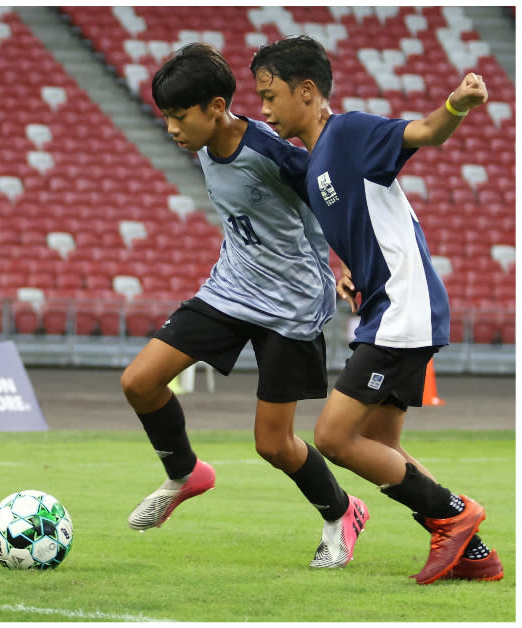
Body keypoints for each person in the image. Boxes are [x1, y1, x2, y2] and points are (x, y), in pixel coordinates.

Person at [250, 35, 502, 584]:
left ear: (308, 91)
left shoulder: (351, 131)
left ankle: (456, 516)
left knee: (334, 438)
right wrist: (349, 271)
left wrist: (457, 102)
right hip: (387, 307)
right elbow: (365, 224)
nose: (264, 109)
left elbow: (428, 132)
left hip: (403, 310)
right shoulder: (318, 160)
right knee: (383, 446)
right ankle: (475, 553)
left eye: (270, 96)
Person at [119, 43, 368, 568]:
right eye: (165, 117)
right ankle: (187, 473)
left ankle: (342, 512)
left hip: (292, 304)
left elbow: (332, 199)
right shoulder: (205, 146)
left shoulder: (274, 152)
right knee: (139, 382)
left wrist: (351, 265)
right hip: (230, 290)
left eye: (178, 116)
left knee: (273, 444)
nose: (171, 130)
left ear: (215, 107)